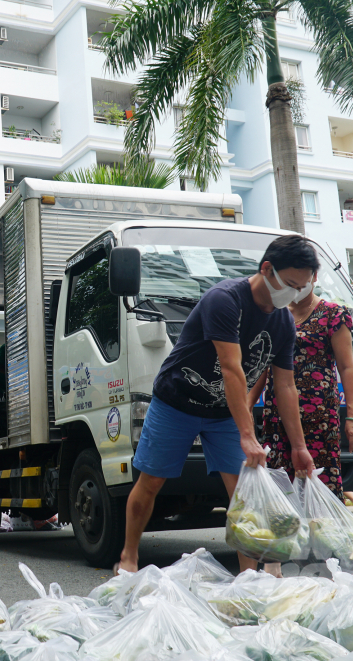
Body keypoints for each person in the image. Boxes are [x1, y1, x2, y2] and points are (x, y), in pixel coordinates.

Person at [117, 235, 319, 575]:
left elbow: (285, 385)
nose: (295, 294)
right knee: (151, 482)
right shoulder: (225, 300)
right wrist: (247, 434)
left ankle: (249, 577)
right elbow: (231, 368)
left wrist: (299, 447)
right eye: (291, 284)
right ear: (267, 269)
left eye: (302, 288)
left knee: (245, 493)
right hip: (177, 400)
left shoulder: (283, 320)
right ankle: (129, 557)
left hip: (224, 412)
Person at [250, 272, 353, 528]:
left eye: (303, 280)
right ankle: (283, 548)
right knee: (279, 479)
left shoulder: (333, 314)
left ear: (315, 277)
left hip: (319, 417)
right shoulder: (275, 314)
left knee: (322, 479)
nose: (297, 287)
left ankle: (328, 546)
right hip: (279, 414)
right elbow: (263, 366)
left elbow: (347, 368)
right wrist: (246, 406)